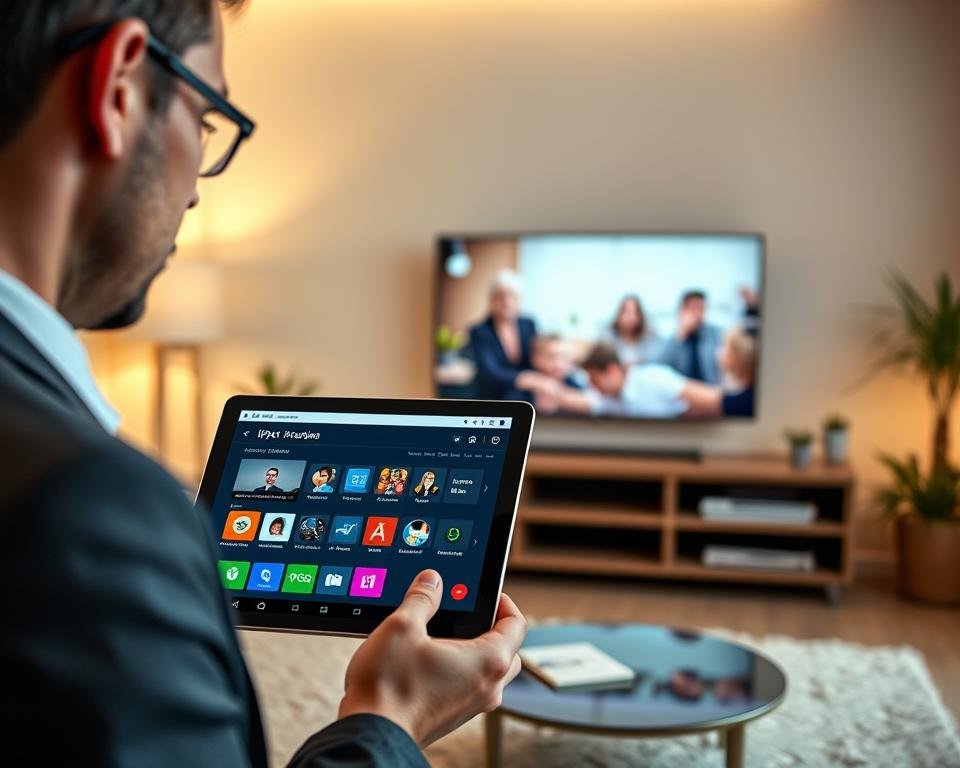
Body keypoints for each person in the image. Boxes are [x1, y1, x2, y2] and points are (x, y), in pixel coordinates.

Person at [0, 3, 526, 766]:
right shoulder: (89, 509)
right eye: (206, 120)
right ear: (117, 88)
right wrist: (391, 716)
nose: (194, 193)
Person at [468, 269, 539, 399]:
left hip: (528, 393)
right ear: (491, 300)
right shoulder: (479, 331)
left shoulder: (529, 324)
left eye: (512, 296)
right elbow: (490, 372)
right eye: (500, 296)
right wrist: (531, 380)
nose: (507, 302)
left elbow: (538, 357)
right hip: (494, 395)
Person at [657, 290, 723, 384]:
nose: (698, 314)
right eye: (693, 309)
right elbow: (659, 366)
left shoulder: (715, 334)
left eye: (701, 309)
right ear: (682, 311)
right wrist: (680, 336)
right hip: (683, 389)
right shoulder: (672, 338)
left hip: (711, 387)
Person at [601, 294, 663, 366]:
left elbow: (656, 358)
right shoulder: (608, 336)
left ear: (640, 316)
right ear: (619, 314)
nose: (630, 317)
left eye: (634, 313)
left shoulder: (650, 335)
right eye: (627, 312)